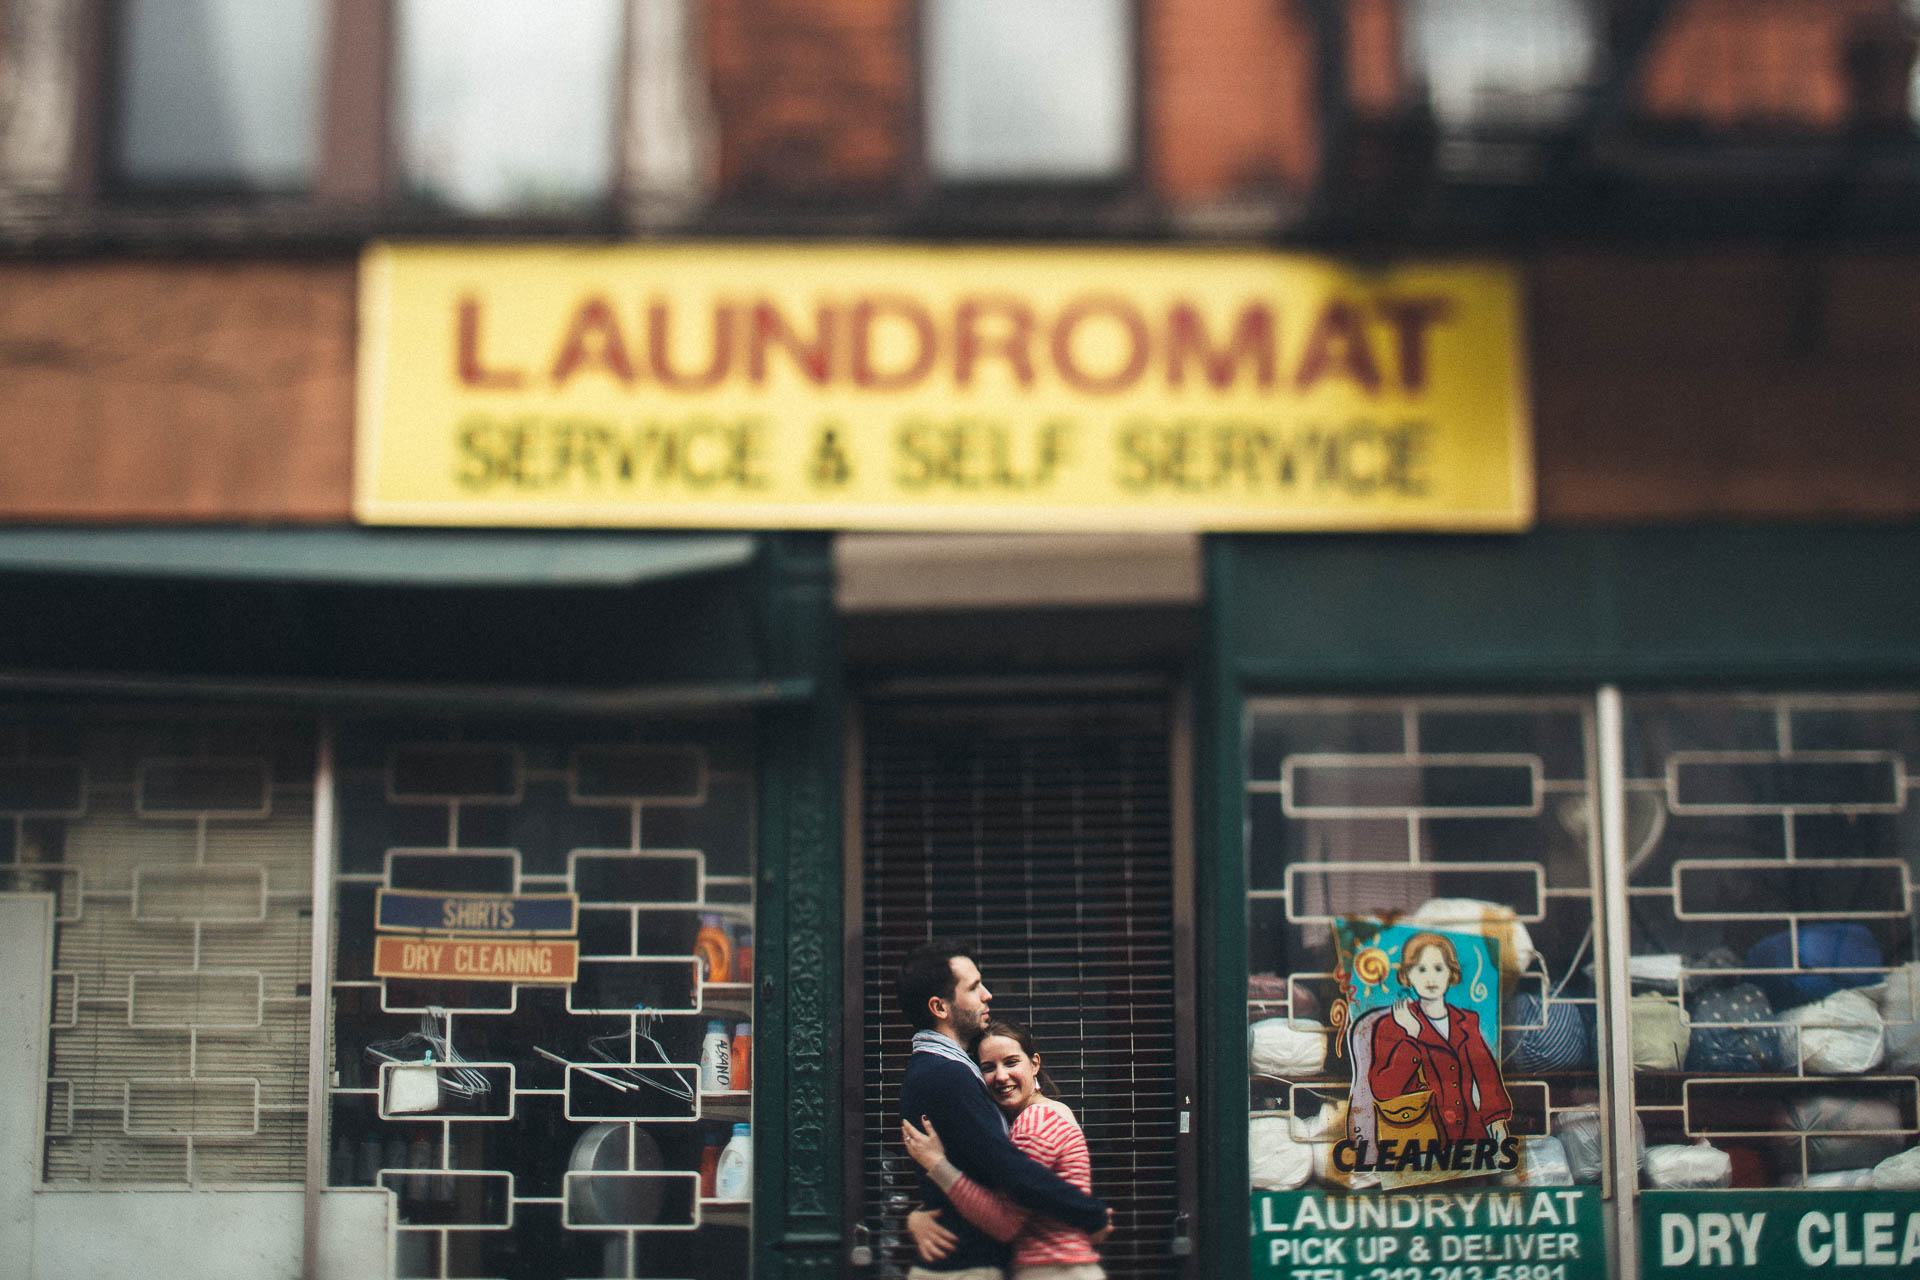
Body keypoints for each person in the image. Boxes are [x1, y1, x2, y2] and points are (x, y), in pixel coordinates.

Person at [895, 942, 1108, 1280]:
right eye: (974, 986)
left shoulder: (946, 1071)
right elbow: (1009, 1171)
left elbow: (979, 1164)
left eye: (1012, 1063)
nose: (987, 994)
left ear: (1034, 1065)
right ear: (940, 1007)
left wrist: (926, 1194)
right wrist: (1091, 1212)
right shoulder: (947, 1074)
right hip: (964, 1270)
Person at [1367, 930, 1511, 1144]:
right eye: (1421, 969)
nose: (1431, 978)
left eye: (1438, 968)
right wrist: (1411, 1037)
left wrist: (1496, 1119)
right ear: (1408, 975)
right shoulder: (1391, 1026)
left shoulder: (1466, 1021)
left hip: (1470, 1137)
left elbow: (1486, 1074)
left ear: (1450, 973)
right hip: (1420, 1141)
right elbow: (1383, 1090)